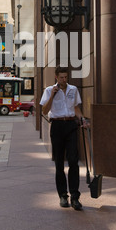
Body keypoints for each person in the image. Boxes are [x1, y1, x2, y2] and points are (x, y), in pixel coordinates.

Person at [40, 66, 89, 210]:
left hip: (71, 125)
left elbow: (76, 108)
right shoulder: (49, 90)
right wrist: (52, 96)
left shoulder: (73, 89)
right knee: (59, 162)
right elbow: (44, 110)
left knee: (73, 161)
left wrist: (83, 119)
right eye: (61, 77)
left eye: (65, 77)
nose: (64, 80)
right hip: (57, 126)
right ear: (56, 77)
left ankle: (75, 196)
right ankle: (63, 195)